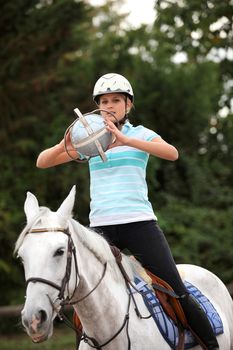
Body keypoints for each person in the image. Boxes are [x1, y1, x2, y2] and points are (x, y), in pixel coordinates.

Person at [36, 73, 219, 349]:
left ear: (128, 105)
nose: (110, 105)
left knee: (175, 290)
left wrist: (124, 140)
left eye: (116, 100)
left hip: (140, 224)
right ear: (97, 106)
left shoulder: (140, 133)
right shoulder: (90, 142)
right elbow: (42, 162)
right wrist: (69, 141)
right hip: (100, 229)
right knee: (84, 299)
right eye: (104, 101)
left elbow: (172, 153)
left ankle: (211, 345)